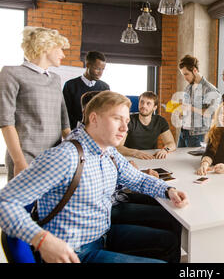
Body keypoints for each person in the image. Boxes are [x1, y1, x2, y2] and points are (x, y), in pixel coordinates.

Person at [0, 91, 189, 263]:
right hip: (74, 252)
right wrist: (42, 240)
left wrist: (167, 189)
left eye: (126, 121)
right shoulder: (66, 156)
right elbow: (5, 202)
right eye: (117, 119)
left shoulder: (108, 152)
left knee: (169, 241)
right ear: (94, 118)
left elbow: (138, 179)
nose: (125, 128)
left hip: (101, 235)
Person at [0, 26, 71, 181]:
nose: (63, 54)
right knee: (20, 204)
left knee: (49, 204)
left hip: (54, 157)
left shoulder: (55, 78)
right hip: (26, 156)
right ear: (46, 47)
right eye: (60, 49)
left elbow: (64, 119)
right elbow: (6, 122)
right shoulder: (11, 73)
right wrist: (19, 162)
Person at [117, 91, 176, 160]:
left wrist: (165, 150)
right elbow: (118, 147)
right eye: (141, 102)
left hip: (150, 157)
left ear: (155, 107)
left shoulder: (160, 121)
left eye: (148, 103)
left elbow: (171, 143)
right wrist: (135, 152)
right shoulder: (128, 120)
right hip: (130, 157)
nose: (144, 105)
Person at [177, 54, 221, 147]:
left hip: (198, 136)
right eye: (183, 75)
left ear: (195, 70)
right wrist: (182, 113)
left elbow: (212, 114)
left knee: (192, 161)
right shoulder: (188, 87)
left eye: (186, 74)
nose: (185, 78)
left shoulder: (210, 89)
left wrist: (191, 108)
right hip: (184, 133)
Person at [63, 51, 110, 130]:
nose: (100, 73)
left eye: (103, 69)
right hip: (74, 132)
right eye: (98, 69)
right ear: (88, 65)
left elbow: (106, 112)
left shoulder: (105, 88)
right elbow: (65, 113)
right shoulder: (70, 85)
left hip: (97, 131)